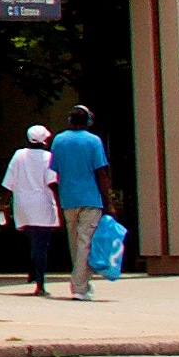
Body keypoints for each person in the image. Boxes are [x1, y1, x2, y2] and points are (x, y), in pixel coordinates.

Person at [50, 108, 115, 302]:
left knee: (75, 242)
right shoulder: (93, 141)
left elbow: (55, 170)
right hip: (90, 199)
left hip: (68, 199)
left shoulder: (59, 140)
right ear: (88, 121)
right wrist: (109, 203)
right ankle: (79, 286)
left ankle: (82, 281)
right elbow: (101, 173)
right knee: (85, 243)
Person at [1, 125, 64, 295]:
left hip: (23, 206)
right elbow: (52, 183)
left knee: (34, 241)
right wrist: (60, 204)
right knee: (42, 245)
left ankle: (33, 270)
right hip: (43, 205)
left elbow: (8, 182)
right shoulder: (49, 157)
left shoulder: (19, 155)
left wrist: (2, 204)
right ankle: (40, 283)